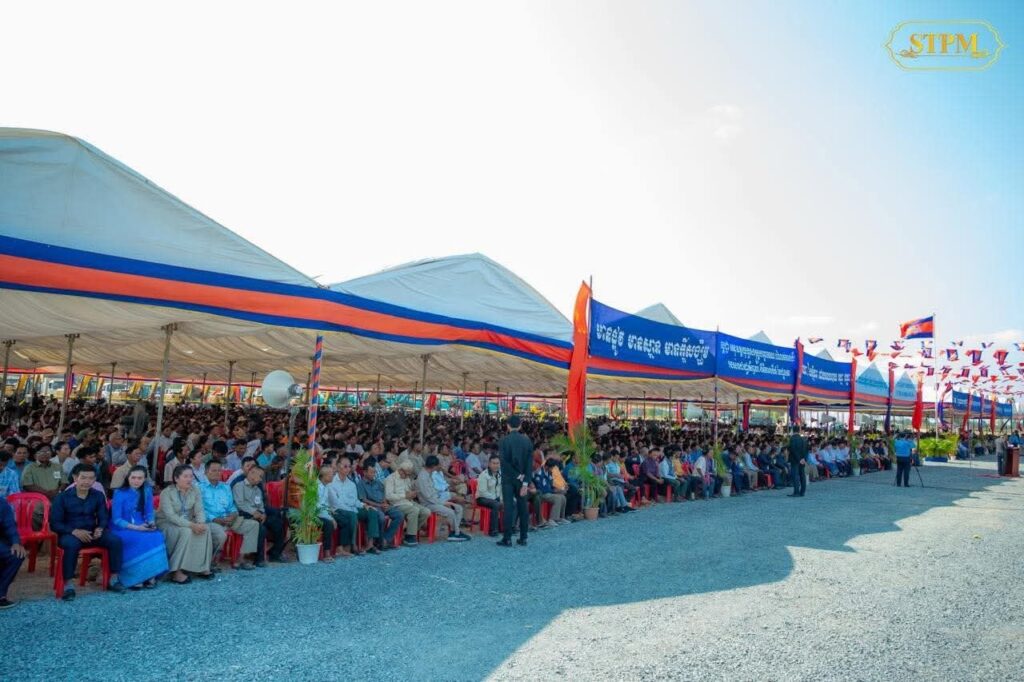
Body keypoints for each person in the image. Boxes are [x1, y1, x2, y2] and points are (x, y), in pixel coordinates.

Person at [50, 464, 128, 600]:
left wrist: (100, 528)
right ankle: (68, 585)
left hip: (92, 533)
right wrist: (74, 531)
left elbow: (103, 516)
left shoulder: (97, 495)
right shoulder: (62, 498)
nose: (87, 481)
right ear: (75, 478)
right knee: (71, 545)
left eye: (91, 478)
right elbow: (55, 523)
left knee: (115, 541)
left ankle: (113, 579)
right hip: (70, 534)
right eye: (83, 478)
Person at [109, 465, 169, 588]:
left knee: (157, 536)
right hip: (122, 526)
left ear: (144, 479)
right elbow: (116, 519)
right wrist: (137, 528)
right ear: (128, 478)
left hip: (141, 522)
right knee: (139, 538)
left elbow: (149, 512)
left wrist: (151, 523)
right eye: (133, 478)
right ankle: (136, 577)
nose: (136, 481)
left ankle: (151, 575)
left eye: (140, 478)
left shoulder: (147, 490)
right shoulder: (119, 492)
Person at [156, 465, 214, 583]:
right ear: (176, 478)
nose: (189, 479)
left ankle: (200, 568)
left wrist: (200, 523)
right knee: (187, 531)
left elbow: (199, 510)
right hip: (167, 523)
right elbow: (171, 516)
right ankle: (176, 571)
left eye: (191, 476)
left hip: (188, 521)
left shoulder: (195, 490)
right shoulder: (167, 493)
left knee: (205, 529)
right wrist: (192, 525)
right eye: (185, 476)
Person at [200, 460, 260, 569]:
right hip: (211, 521)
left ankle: (241, 559)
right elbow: (199, 509)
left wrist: (233, 515)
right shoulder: (199, 487)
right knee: (220, 535)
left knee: (253, 525)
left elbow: (232, 506)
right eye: (214, 470)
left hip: (229, 520)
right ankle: (212, 561)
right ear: (206, 472)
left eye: (219, 470)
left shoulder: (225, 487)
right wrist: (215, 519)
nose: (217, 473)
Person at [232, 464, 288, 564]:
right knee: (261, 528)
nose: (261, 479)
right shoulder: (239, 486)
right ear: (251, 473)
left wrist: (263, 514)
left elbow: (261, 505)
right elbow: (240, 504)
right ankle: (259, 558)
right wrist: (254, 512)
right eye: (260, 476)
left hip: (258, 516)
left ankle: (275, 553)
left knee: (277, 523)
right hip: (245, 516)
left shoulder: (257, 489)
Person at [497, 415, 533, 547]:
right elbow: (529, 463)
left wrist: (517, 475)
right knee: (523, 507)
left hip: (508, 478)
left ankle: (507, 538)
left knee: (508, 508)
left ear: (507, 425)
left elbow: (503, 462)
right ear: (520, 425)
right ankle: (523, 537)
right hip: (522, 479)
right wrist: (525, 481)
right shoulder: (527, 441)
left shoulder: (503, 441)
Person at [417, 456, 470, 541]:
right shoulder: (423, 477)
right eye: (438, 465)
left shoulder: (428, 474)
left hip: (436, 500)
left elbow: (434, 492)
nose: (439, 466)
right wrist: (443, 503)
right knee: (450, 512)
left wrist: (443, 500)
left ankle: (454, 531)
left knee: (459, 508)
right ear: (433, 466)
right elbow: (428, 497)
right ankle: (456, 533)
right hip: (428, 503)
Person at [355, 460, 402, 551]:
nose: (374, 474)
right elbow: (364, 500)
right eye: (371, 472)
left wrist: (384, 503)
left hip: (382, 505)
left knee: (399, 515)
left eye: (374, 472)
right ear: (364, 472)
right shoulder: (360, 484)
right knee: (381, 517)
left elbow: (383, 493)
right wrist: (379, 505)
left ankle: (385, 539)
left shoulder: (377, 482)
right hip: (372, 506)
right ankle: (379, 542)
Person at [384, 461, 430, 546]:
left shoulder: (407, 478)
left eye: (409, 474)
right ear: (401, 470)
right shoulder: (390, 479)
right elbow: (388, 496)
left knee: (426, 512)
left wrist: (412, 494)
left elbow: (408, 491)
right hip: (397, 504)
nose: (408, 476)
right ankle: (410, 536)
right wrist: (404, 495)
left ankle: (409, 531)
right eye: (407, 473)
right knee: (414, 510)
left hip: (408, 501)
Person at [0, 495, 26, 609]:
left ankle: (0, 594)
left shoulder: (1, 503)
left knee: (17, 555)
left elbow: (10, 525)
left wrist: (16, 542)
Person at [474, 455, 502, 536]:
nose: (496, 465)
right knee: (496, 504)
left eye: (497, 463)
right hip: (482, 498)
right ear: (489, 464)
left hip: (495, 498)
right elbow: (483, 492)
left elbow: (501, 489)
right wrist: (496, 498)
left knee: (512, 501)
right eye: (494, 463)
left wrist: (502, 498)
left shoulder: (500, 474)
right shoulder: (484, 475)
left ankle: (510, 527)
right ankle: (493, 530)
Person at [787, 427, 808, 497]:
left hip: (795, 460)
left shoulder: (792, 438)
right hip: (802, 460)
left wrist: (799, 459)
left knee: (795, 476)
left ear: (792, 430)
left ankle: (796, 492)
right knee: (802, 475)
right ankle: (802, 491)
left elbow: (793, 450)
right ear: (799, 431)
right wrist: (804, 459)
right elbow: (806, 450)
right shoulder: (802, 439)